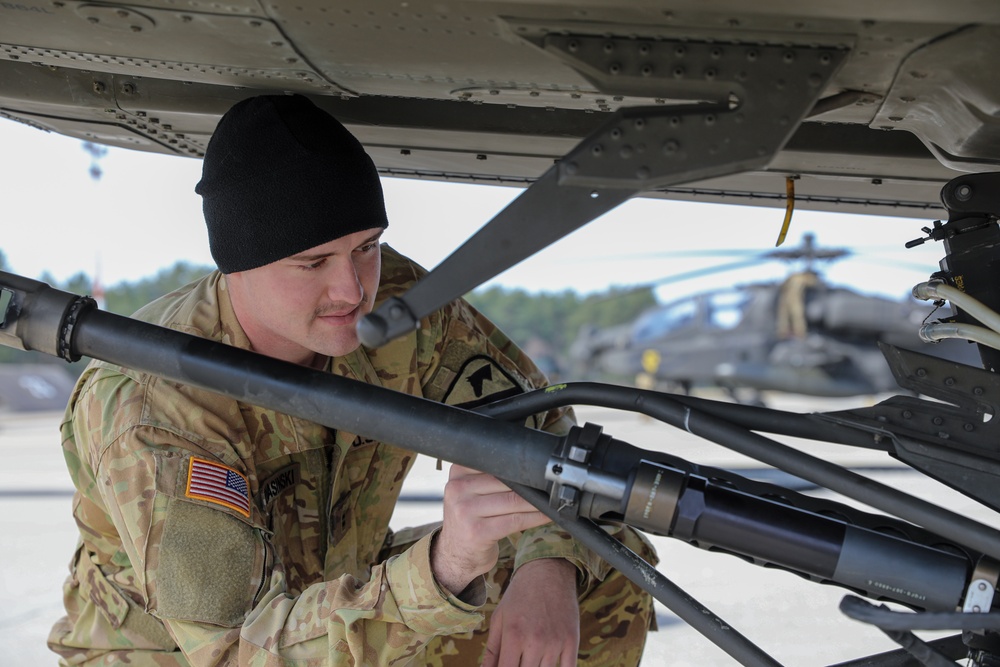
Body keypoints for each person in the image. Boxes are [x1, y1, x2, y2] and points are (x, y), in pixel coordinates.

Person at [48, 94, 657, 666]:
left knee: (604, 564)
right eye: (312, 263)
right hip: (194, 652)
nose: (353, 290)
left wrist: (545, 567)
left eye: (366, 248)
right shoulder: (157, 400)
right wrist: (441, 572)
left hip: (338, 607)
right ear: (239, 265)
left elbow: (539, 425)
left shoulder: (395, 303)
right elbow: (236, 648)